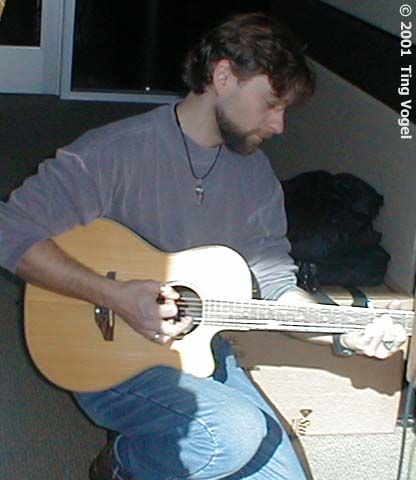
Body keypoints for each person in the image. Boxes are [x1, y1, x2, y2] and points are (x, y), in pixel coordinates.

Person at [0, 12, 407, 480]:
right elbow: (11, 231)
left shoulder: (255, 178)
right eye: (270, 104)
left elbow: (278, 288)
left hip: (200, 349)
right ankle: (122, 465)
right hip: (101, 354)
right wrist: (114, 295)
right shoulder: (115, 151)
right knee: (231, 435)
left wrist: (344, 333)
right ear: (223, 76)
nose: (279, 125)